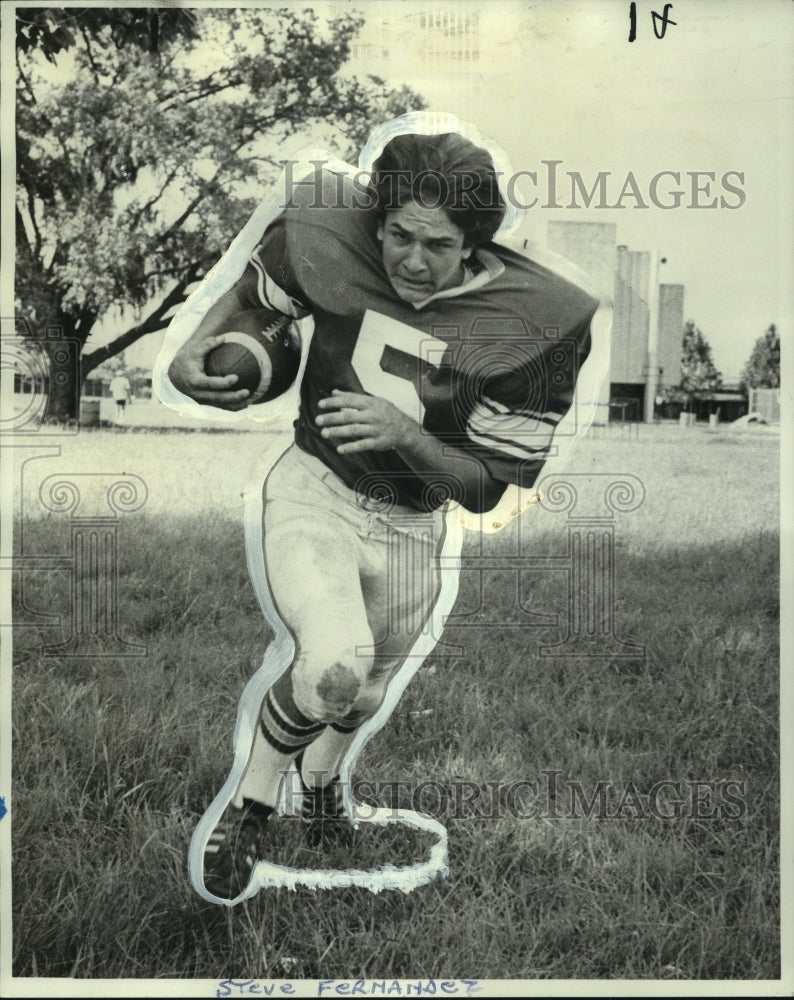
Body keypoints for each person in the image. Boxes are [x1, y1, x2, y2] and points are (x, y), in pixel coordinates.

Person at [164, 122, 604, 903]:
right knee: (334, 664)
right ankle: (253, 802)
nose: (412, 259)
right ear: (377, 222)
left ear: (473, 243)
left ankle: (325, 780)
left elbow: (485, 489)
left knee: (361, 696)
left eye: (438, 244)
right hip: (317, 490)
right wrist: (191, 349)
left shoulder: (531, 321)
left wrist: (408, 437)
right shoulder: (328, 236)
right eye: (399, 235)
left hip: (412, 525)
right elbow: (255, 293)